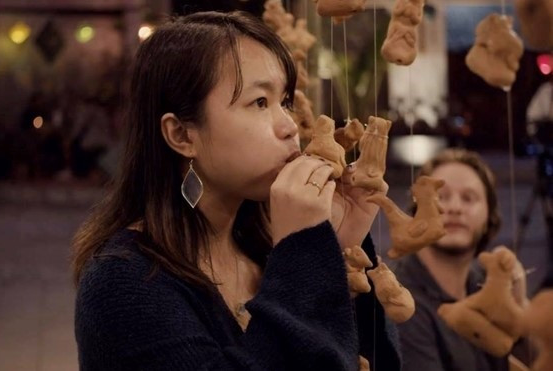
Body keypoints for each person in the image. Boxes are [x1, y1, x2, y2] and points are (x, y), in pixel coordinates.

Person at [72, 11, 401, 370]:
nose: (290, 127)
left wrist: (337, 251)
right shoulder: (124, 284)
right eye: (259, 102)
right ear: (181, 135)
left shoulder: (264, 247)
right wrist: (303, 256)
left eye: (285, 101)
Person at [393, 148, 528, 371]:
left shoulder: (484, 283)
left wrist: (520, 310)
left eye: (469, 198)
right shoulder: (400, 301)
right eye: (440, 197)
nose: (454, 208)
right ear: (418, 211)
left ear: (489, 214)